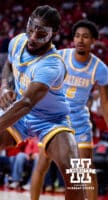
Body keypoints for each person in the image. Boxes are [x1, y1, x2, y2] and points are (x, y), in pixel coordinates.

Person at [0, 5, 85, 200]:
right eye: (30, 28)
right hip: (19, 116)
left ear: (54, 34)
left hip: (51, 119)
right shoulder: (17, 42)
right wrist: (6, 87)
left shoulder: (52, 64)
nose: (32, 37)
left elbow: (27, 103)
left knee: (75, 171)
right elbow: (8, 64)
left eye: (41, 34)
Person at [30, 19, 108, 200]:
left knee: (85, 171)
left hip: (79, 122)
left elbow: (105, 104)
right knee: (42, 164)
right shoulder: (60, 56)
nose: (80, 40)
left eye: (86, 37)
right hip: (54, 119)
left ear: (94, 41)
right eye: (77, 36)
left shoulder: (100, 68)